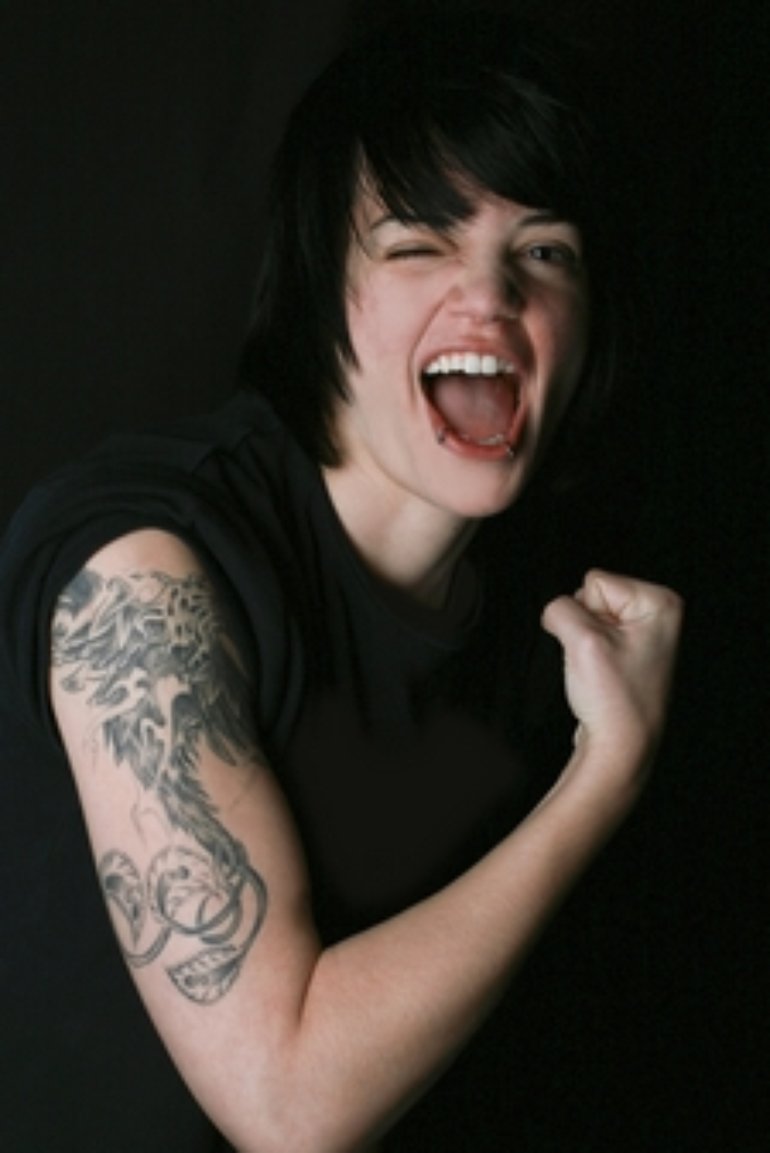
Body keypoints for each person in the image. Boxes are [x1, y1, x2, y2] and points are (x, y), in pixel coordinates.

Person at [0, 7, 683, 1151]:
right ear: (323, 292)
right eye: (417, 243)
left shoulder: (554, 634)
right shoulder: (146, 562)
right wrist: (606, 773)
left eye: (543, 251)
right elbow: (287, 1101)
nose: (491, 297)